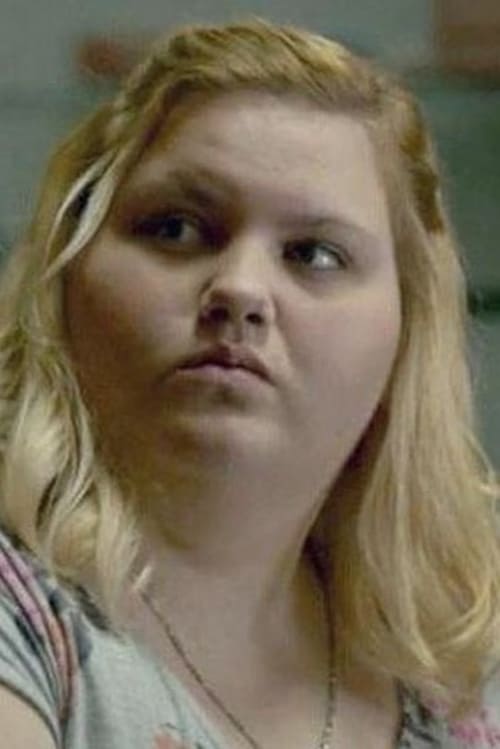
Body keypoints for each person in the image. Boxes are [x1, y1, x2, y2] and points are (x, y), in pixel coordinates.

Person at [0, 16, 499, 749]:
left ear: (407, 326)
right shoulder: (22, 617)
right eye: (174, 228)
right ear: (65, 273)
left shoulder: (452, 663)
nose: (239, 287)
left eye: (314, 254)